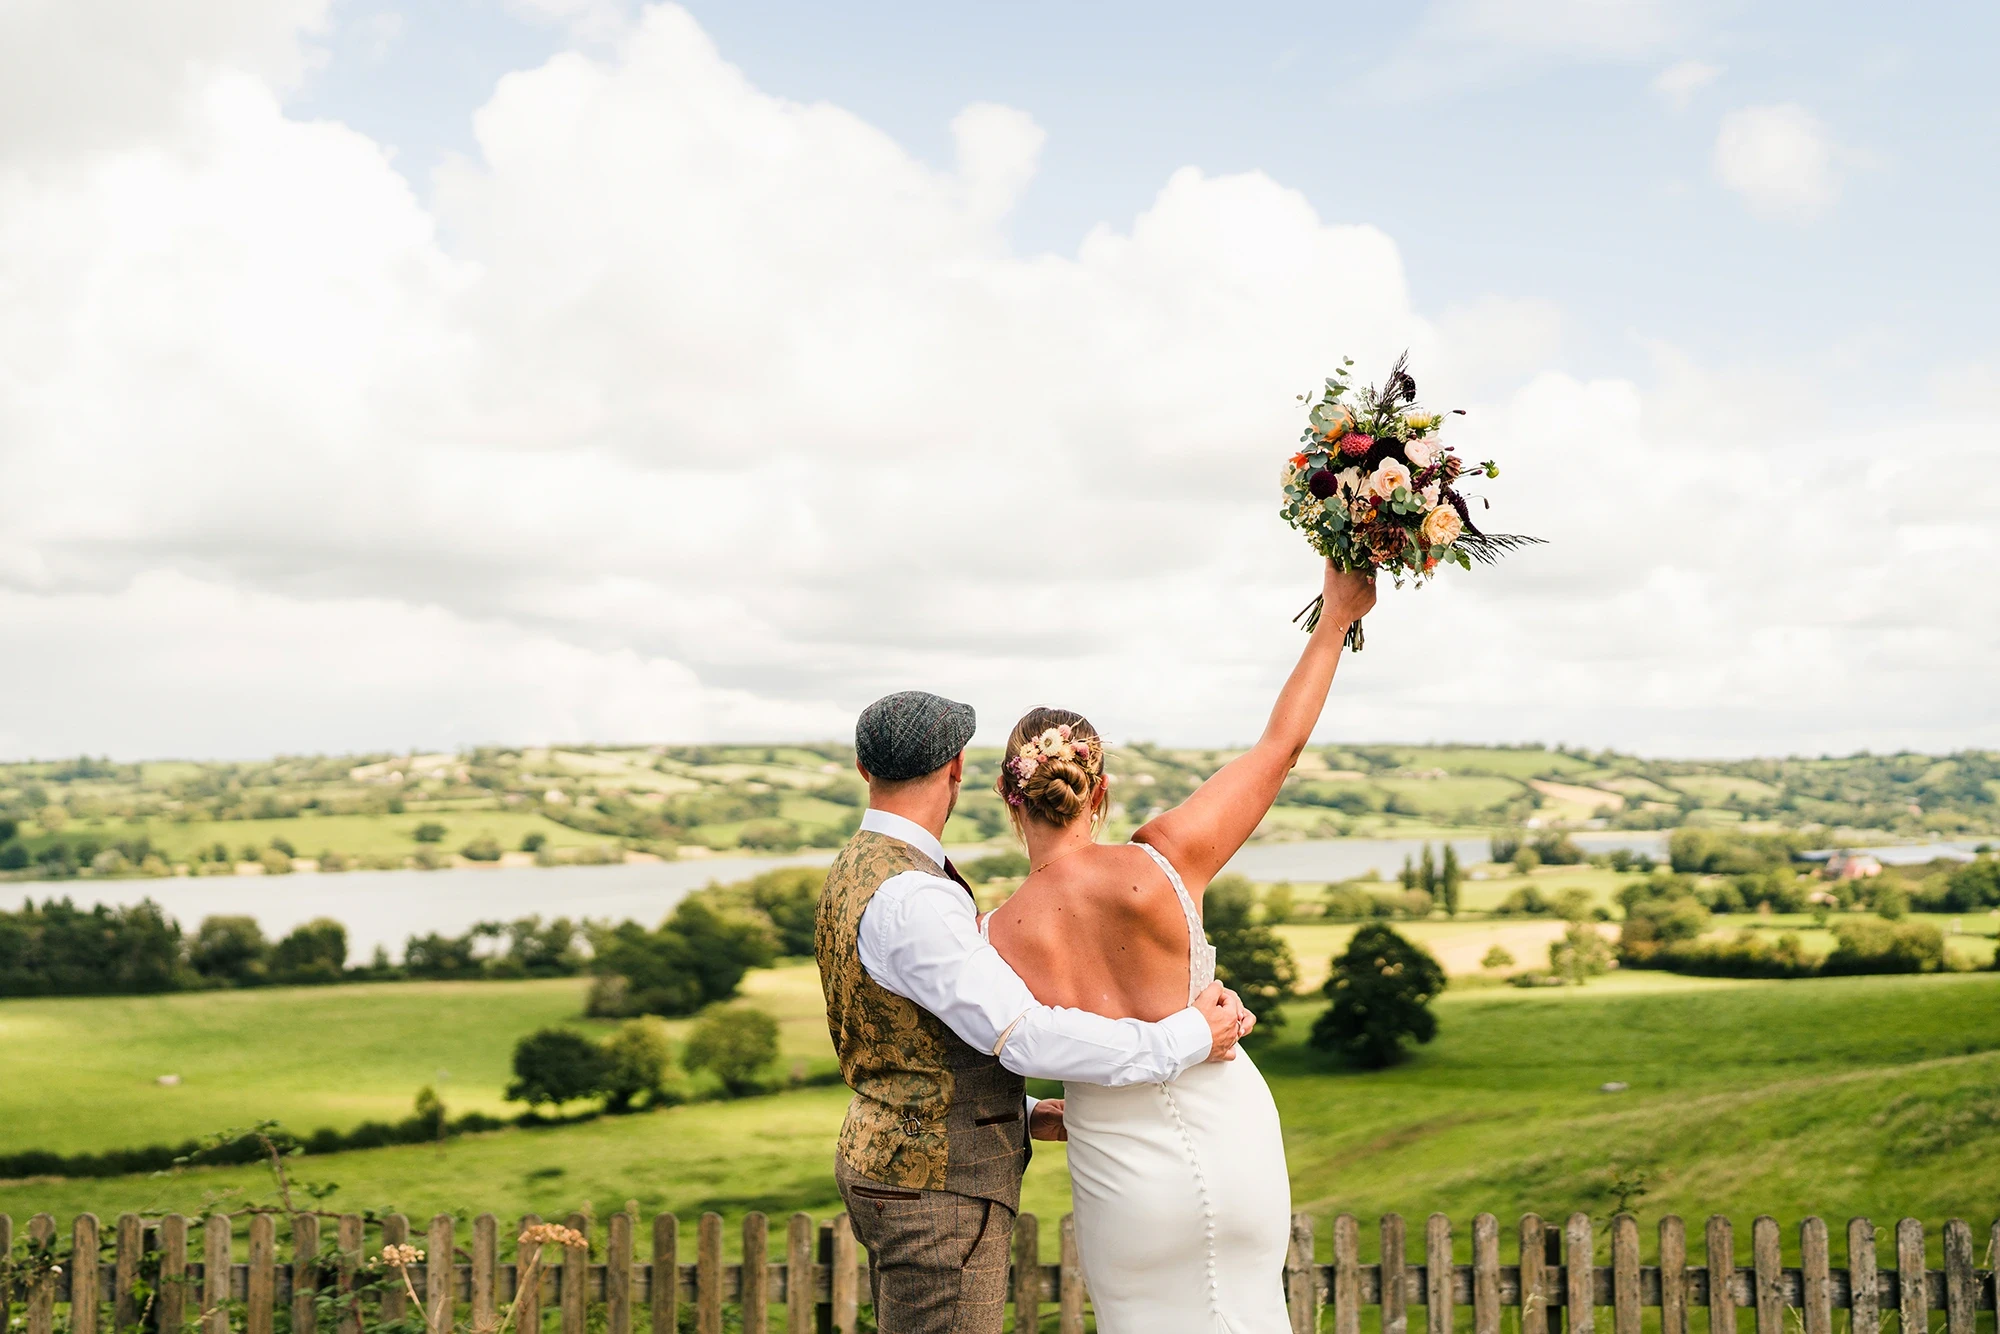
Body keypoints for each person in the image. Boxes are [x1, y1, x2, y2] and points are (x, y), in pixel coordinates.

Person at [982, 561, 1377, 1333]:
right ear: (1100, 793)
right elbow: (1279, 748)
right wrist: (1336, 616)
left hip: (1122, 1178)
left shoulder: (991, 936)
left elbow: (962, 1065)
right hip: (1235, 1138)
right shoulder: (1165, 857)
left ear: (1008, 793)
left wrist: (1032, 1115)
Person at [814, 688, 1254, 1334]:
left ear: (864, 771)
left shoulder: (855, 869)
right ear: (956, 769)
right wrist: (1188, 1034)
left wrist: (1018, 1114)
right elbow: (1023, 1036)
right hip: (940, 1196)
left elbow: (903, 1040)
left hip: (889, 1166)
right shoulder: (915, 898)